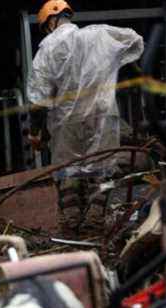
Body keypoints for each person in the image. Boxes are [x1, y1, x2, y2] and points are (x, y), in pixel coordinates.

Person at [27, 0, 143, 233]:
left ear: (50, 20)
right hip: (103, 111)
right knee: (104, 164)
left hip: (66, 117)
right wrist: (120, 67)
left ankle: (71, 224)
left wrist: (35, 132)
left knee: (68, 168)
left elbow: (39, 99)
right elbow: (135, 41)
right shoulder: (99, 34)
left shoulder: (47, 48)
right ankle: (95, 218)